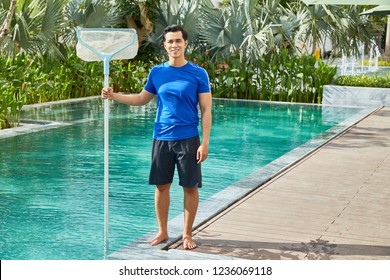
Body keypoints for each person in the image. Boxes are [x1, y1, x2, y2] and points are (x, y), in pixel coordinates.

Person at [101, 25, 212, 250]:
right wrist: (114, 96)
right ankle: (162, 232)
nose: (174, 45)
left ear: (185, 43)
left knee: (190, 187)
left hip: (188, 138)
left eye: (178, 41)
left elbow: (206, 110)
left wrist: (205, 142)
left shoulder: (198, 73)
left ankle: (187, 234)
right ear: (164, 45)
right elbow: (142, 99)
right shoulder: (157, 73)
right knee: (162, 186)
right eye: (170, 42)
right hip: (161, 137)